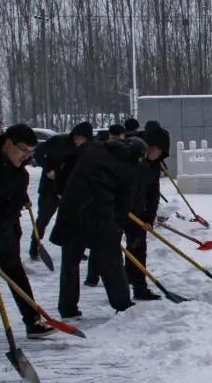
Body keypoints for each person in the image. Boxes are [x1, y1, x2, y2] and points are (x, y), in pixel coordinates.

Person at [0, 125, 54, 338]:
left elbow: (8, 214)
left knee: (14, 271)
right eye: (23, 150)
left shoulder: (20, 176)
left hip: (2, 228)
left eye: (30, 153)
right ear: (8, 143)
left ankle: (32, 320)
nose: (26, 157)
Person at [51, 136, 139, 317]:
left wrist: (64, 192)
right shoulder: (130, 168)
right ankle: (122, 304)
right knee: (111, 262)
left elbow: (65, 168)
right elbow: (125, 202)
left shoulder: (94, 149)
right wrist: (118, 225)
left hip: (72, 210)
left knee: (70, 264)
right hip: (100, 216)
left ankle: (67, 308)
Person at [29, 122, 92, 260]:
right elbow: (38, 153)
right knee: (43, 219)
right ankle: (35, 247)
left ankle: (75, 248)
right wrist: (48, 169)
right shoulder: (58, 141)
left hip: (70, 190)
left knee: (73, 221)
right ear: (74, 134)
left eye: (84, 139)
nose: (80, 141)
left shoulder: (84, 148)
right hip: (50, 188)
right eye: (79, 137)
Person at [124, 127, 169, 300]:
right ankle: (127, 286)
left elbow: (153, 194)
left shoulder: (154, 165)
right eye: (156, 149)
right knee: (111, 252)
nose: (158, 154)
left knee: (138, 247)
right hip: (120, 210)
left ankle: (138, 286)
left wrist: (149, 218)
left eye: (161, 152)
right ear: (149, 146)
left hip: (138, 213)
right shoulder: (132, 159)